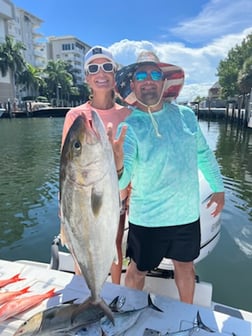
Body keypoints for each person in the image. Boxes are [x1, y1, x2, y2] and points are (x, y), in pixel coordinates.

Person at [111, 50, 225, 303]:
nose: (149, 79)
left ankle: (189, 315)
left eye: (155, 74)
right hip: (148, 220)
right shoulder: (128, 127)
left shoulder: (186, 115)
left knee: (186, 267)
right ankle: (130, 308)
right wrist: (117, 166)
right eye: (142, 74)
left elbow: (204, 154)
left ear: (164, 82)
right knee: (137, 269)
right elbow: (121, 179)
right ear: (133, 84)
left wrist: (218, 187)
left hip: (186, 215)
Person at [61, 46, 131, 284]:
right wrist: (63, 215)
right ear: (87, 78)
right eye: (93, 68)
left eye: (107, 67)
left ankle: (113, 292)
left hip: (119, 195)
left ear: (115, 73)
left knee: (115, 243)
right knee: (82, 241)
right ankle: (86, 292)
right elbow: (66, 168)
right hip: (84, 195)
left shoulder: (129, 115)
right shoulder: (75, 116)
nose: (101, 73)